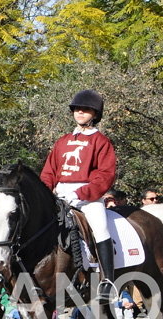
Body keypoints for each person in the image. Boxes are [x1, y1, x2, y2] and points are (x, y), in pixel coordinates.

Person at [40, 89, 117, 303]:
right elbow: (48, 172)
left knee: (100, 228)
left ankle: (108, 281)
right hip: (61, 194)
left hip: (89, 196)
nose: (80, 112)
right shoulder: (62, 141)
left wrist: (81, 193)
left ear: (95, 113)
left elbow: (105, 175)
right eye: (77, 109)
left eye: (86, 109)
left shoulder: (101, 141)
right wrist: (46, 194)